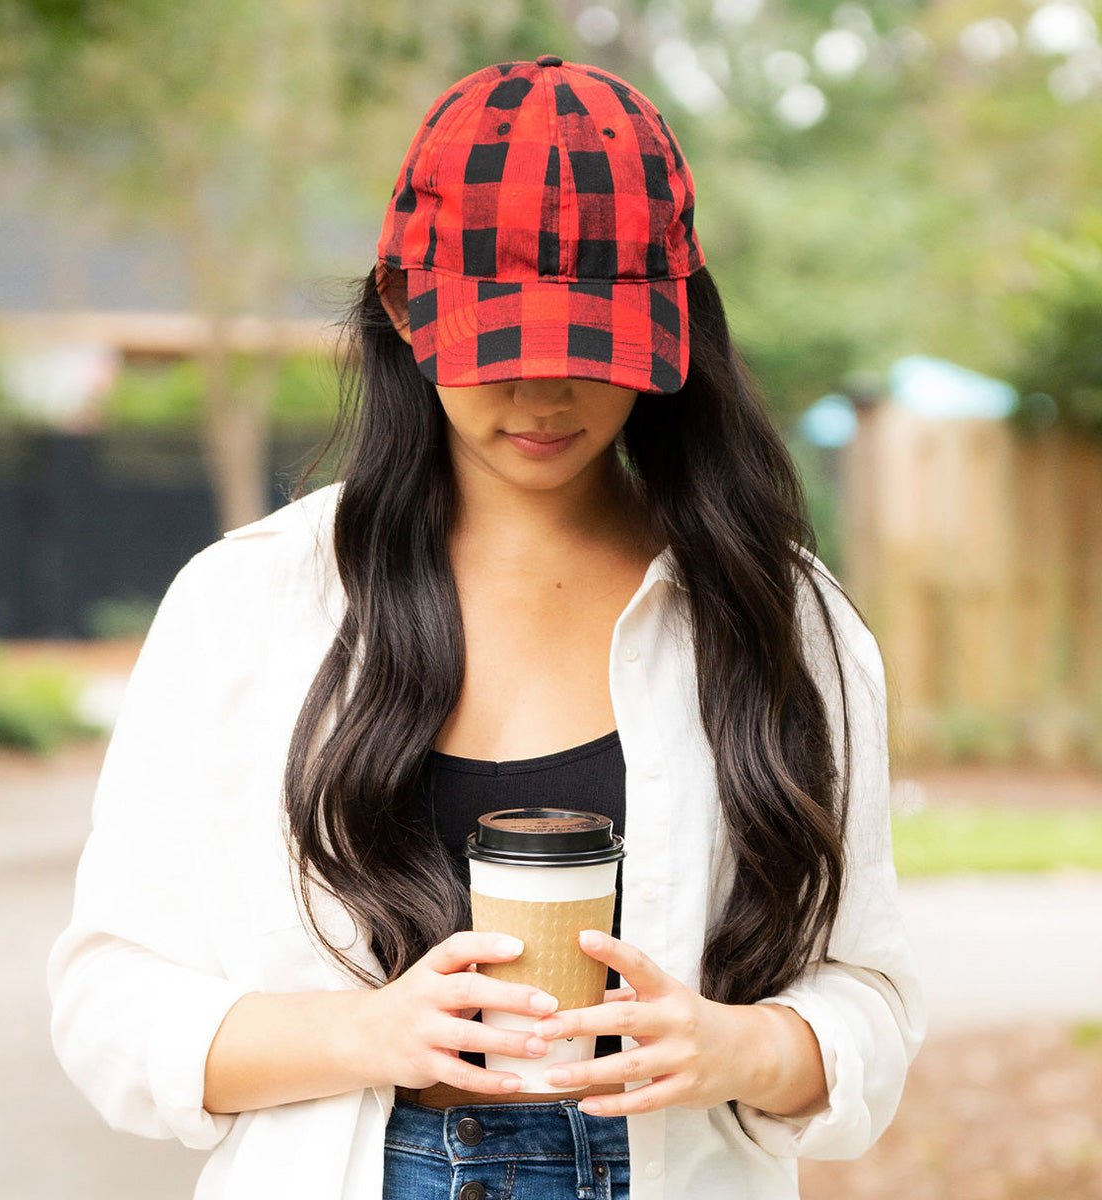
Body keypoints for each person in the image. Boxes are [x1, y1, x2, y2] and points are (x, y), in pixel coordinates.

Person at [48, 56, 925, 1200]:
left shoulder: (781, 619)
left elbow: (873, 998)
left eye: (592, 345)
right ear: (408, 310)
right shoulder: (250, 606)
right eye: (502, 346)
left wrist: (732, 1045)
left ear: (670, 331)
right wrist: (370, 1034)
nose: (544, 396)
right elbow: (111, 1000)